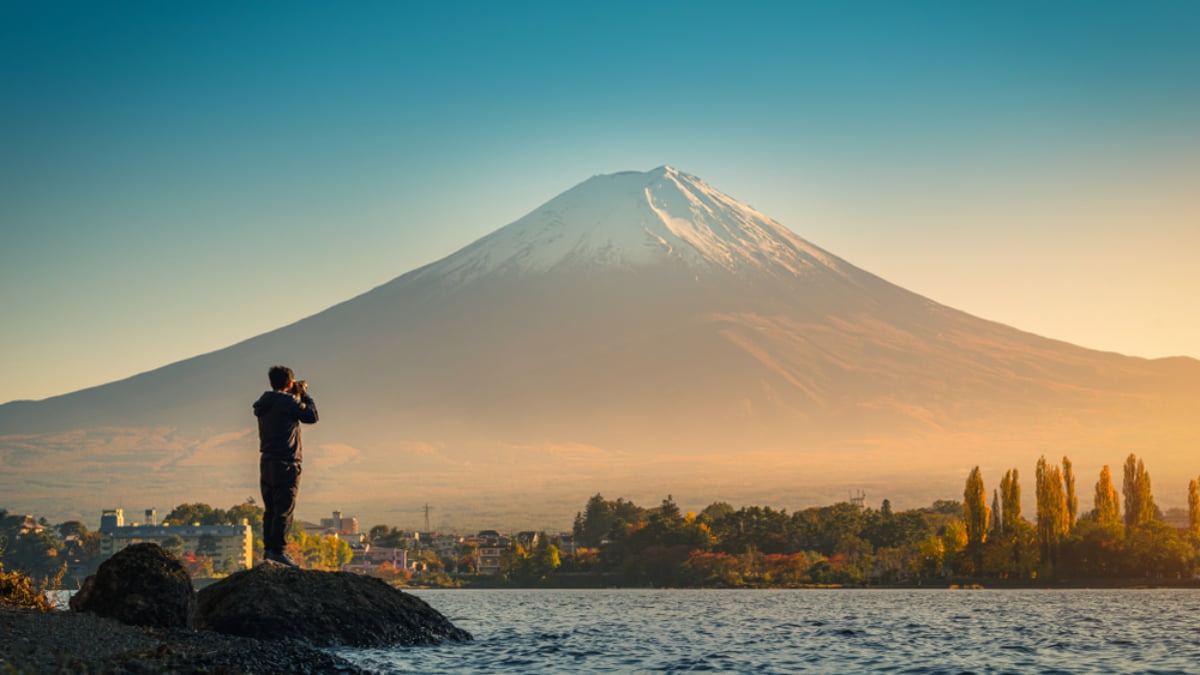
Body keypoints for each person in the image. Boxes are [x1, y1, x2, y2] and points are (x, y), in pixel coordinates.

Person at [253, 365, 318, 567]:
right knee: (284, 509)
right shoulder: (289, 401)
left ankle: (268, 551)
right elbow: (312, 416)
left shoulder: (264, 403)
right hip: (287, 462)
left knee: (270, 509)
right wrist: (304, 394)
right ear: (290, 383)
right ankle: (278, 552)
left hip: (267, 461)